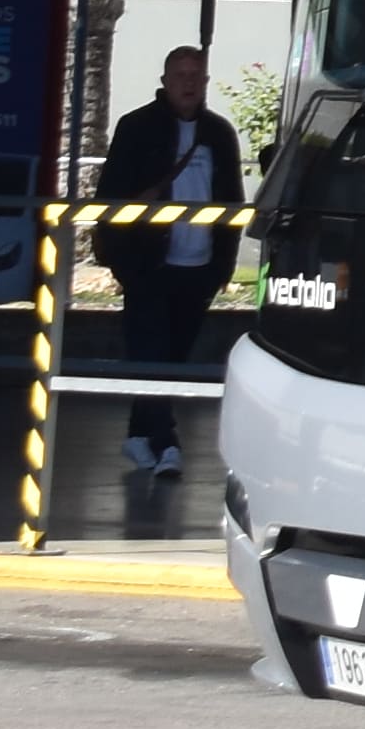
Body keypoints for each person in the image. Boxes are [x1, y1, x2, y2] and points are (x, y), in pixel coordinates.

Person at [90, 48, 243, 516]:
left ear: (206, 80)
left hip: (198, 268)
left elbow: (232, 202)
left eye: (196, 75)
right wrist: (122, 264)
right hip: (149, 266)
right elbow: (111, 196)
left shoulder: (219, 133)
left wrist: (223, 265)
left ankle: (139, 436)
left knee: (172, 357)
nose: (188, 83)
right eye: (180, 75)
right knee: (152, 354)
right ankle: (168, 444)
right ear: (165, 79)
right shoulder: (137, 127)